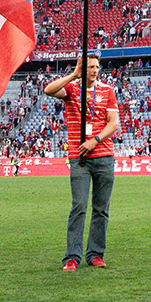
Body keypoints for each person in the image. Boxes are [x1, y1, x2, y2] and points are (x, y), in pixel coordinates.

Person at [43, 56, 121, 271]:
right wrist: (73, 76)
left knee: (101, 209)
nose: (95, 70)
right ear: (81, 68)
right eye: (90, 67)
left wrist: (94, 140)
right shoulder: (71, 89)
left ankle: (95, 254)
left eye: (97, 67)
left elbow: (113, 123)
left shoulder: (107, 91)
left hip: (104, 156)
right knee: (79, 206)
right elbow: (48, 90)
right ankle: (72, 257)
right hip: (80, 159)